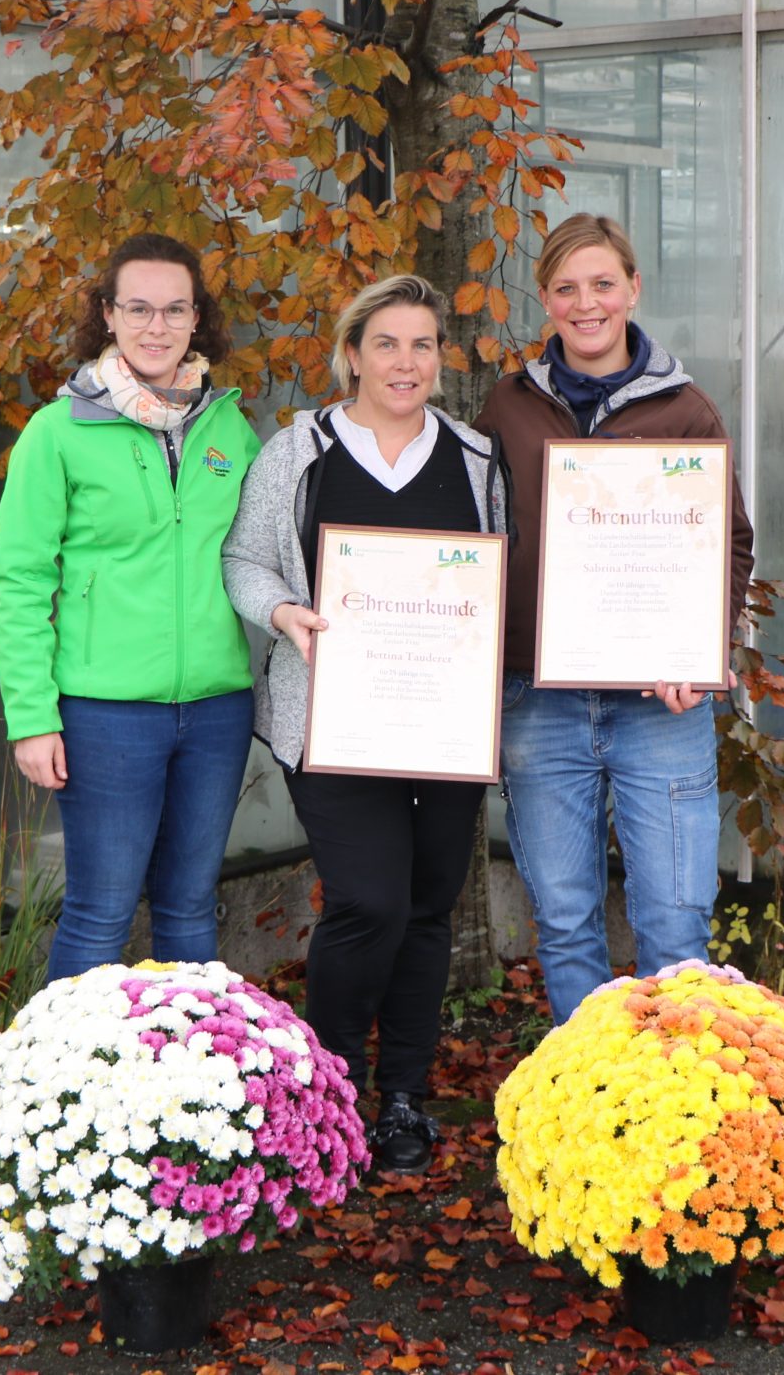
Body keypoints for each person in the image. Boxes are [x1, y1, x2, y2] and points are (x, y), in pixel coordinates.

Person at [223, 274, 510, 1174]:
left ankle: (403, 1098)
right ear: (352, 354)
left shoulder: (474, 456)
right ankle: (332, 1091)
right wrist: (283, 613)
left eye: (422, 344)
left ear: (440, 358)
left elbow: (496, 575)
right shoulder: (297, 452)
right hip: (333, 722)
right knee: (368, 901)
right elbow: (243, 559)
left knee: (426, 907)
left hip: (444, 724)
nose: (405, 361)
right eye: (386, 343)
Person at [475, 214, 755, 1024]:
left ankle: (673, 1094)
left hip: (658, 705)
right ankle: (590, 1088)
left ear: (634, 288)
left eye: (603, 283)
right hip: (539, 698)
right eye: (566, 287)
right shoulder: (510, 406)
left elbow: (729, 543)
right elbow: (483, 536)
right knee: (566, 923)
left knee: (674, 925)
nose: (586, 303)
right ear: (545, 299)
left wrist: (700, 646)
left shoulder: (685, 409)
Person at [0, 234, 263, 980]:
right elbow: (19, 580)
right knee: (101, 911)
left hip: (216, 707)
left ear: (197, 318)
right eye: (138, 308)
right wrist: (32, 716)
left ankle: (192, 1058)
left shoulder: (227, 427)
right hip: (105, 713)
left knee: (190, 907)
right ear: (107, 314)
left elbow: (264, 550)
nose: (156, 326)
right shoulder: (58, 432)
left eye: (175, 309)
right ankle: (64, 1062)